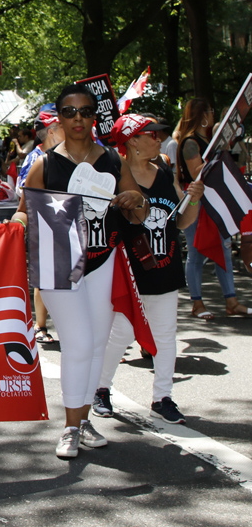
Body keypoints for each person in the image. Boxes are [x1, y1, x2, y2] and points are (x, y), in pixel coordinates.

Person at [12, 84, 147, 459]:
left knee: (97, 345)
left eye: (85, 112)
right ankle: (71, 427)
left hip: (102, 261)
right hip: (58, 261)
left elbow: (140, 209)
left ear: (94, 116)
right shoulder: (44, 164)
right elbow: (24, 211)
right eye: (69, 112)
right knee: (79, 342)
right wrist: (15, 226)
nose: (77, 119)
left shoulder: (113, 161)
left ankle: (83, 420)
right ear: (59, 117)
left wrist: (136, 200)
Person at [92, 114, 204, 425]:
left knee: (167, 336)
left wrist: (194, 200)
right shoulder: (112, 176)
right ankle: (101, 390)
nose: (158, 138)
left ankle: (162, 397)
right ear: (131, 141)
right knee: (121, 334)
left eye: (157, 134)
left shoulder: (165, 170)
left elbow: (181, 221)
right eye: (150, 134)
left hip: (165, 269)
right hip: (130, 273)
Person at [174, 98, 249, 320]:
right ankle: (197, 303)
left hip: (211, 199)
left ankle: (231, 301)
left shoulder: (204, 140)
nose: (213, 115)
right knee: (196, 253)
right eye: (210, 111)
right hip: (197, 200)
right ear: (202, 114)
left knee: (224, 248)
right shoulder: (190, 142)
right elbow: (197, 170)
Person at [18, 104, 64, 344]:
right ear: (51, 130)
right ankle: (40, 325)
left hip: (66, 223)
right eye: (60, 126)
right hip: (42, 224)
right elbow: (22, 192)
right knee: (43, 277)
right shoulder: (35, 158)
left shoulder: (68, 154)